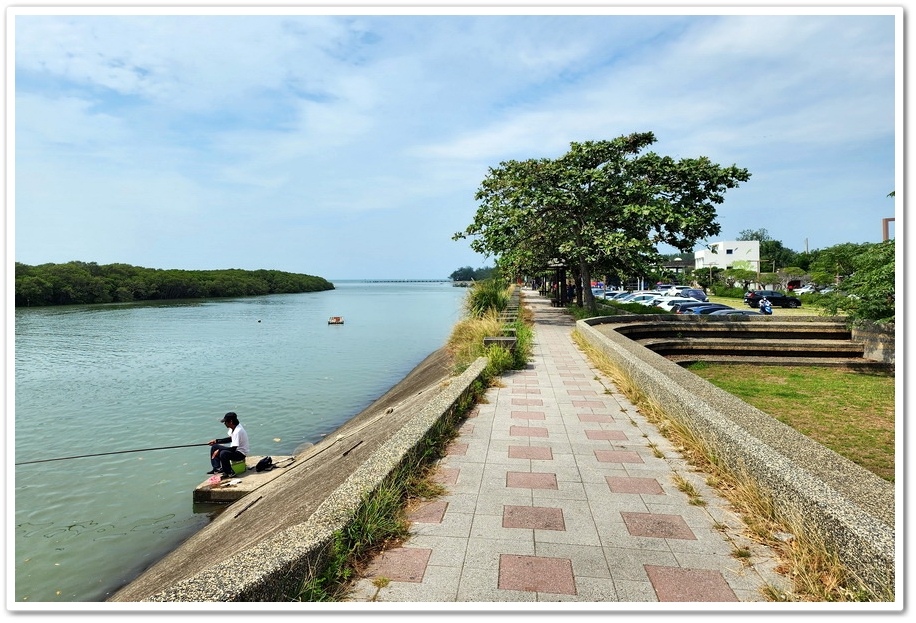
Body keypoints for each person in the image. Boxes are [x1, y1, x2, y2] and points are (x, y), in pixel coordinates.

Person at [207, 412, 249, 478]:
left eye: (226, 422)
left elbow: (233, 449)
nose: (224, 423)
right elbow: (231, 439)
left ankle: (230, 472)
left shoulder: (237, 431)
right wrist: (216, 441)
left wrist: (219, 450)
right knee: (215, 447)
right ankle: (216, 469)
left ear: (231, 422)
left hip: (241, 454)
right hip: (235, 451)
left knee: (223, 453)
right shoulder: (234, 427)